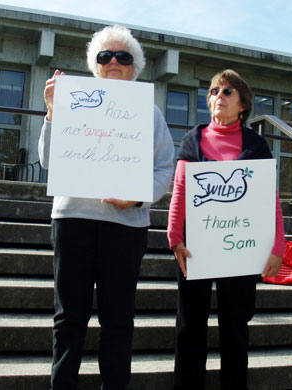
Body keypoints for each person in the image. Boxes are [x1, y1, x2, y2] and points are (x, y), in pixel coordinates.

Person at [38, 25, 175, 389]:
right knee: (69, 318)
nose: (114, 62)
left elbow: (165, 166)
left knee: (118, 319)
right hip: (73, 220)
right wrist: (52, 113)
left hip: (126, 226)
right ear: (94, 65)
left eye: (123, 57)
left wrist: (137, 196)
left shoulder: (150, 112)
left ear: (136, 67)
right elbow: (49, 161)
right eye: (105, 56)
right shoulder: (70, 100)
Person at [167, 69, 286, 390]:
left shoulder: (256, 144)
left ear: (243, 104)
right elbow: (180, 190)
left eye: (227, 92)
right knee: (190, 325)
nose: (218, 97)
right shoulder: (194, 139)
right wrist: (174, 237)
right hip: (195, 248)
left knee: (235, 326)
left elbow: (269, 198)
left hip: (241, 250)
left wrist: (278, 247)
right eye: (214, 91)